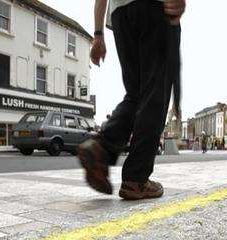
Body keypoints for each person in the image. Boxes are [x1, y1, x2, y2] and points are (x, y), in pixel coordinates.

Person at [78, 0, 186, 200]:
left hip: (120, 14)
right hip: (156, 7)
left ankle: (101, 147)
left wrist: (98, 34)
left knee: (136, 93)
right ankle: (136, 179)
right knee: (156, 93)